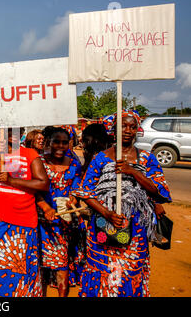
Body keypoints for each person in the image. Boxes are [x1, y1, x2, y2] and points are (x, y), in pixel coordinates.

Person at [73, 110, 171, 297]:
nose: (127, 130)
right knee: (102, 269)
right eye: (123, 126)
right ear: (114, 129)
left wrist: (133, 172)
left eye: (132, 126)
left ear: (137, 130)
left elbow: (160, 192)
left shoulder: (147, 159)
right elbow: (86, 192)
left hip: (135, 228)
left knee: (131, 269)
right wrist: (107, 213)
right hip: (103, 224)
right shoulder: (101, 158)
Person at [0, 127, 50, 297]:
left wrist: (12, 181)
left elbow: (43, 184)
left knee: (22, 265)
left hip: (23, 219)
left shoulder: (30, 154)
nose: (13, 135)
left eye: (17, 131)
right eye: (8, 132)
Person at [35, 127, 84, 297]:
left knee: (61, 267)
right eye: (56, 141)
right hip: (40, 223)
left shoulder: (74, 165)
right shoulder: (38, 162)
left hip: (63, 224)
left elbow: (76, 190)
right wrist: (46, 207)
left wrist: (72, 201)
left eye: (64, 142)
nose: (60, 146)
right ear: (48, 142)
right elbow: (35, 192)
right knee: (40, 268)